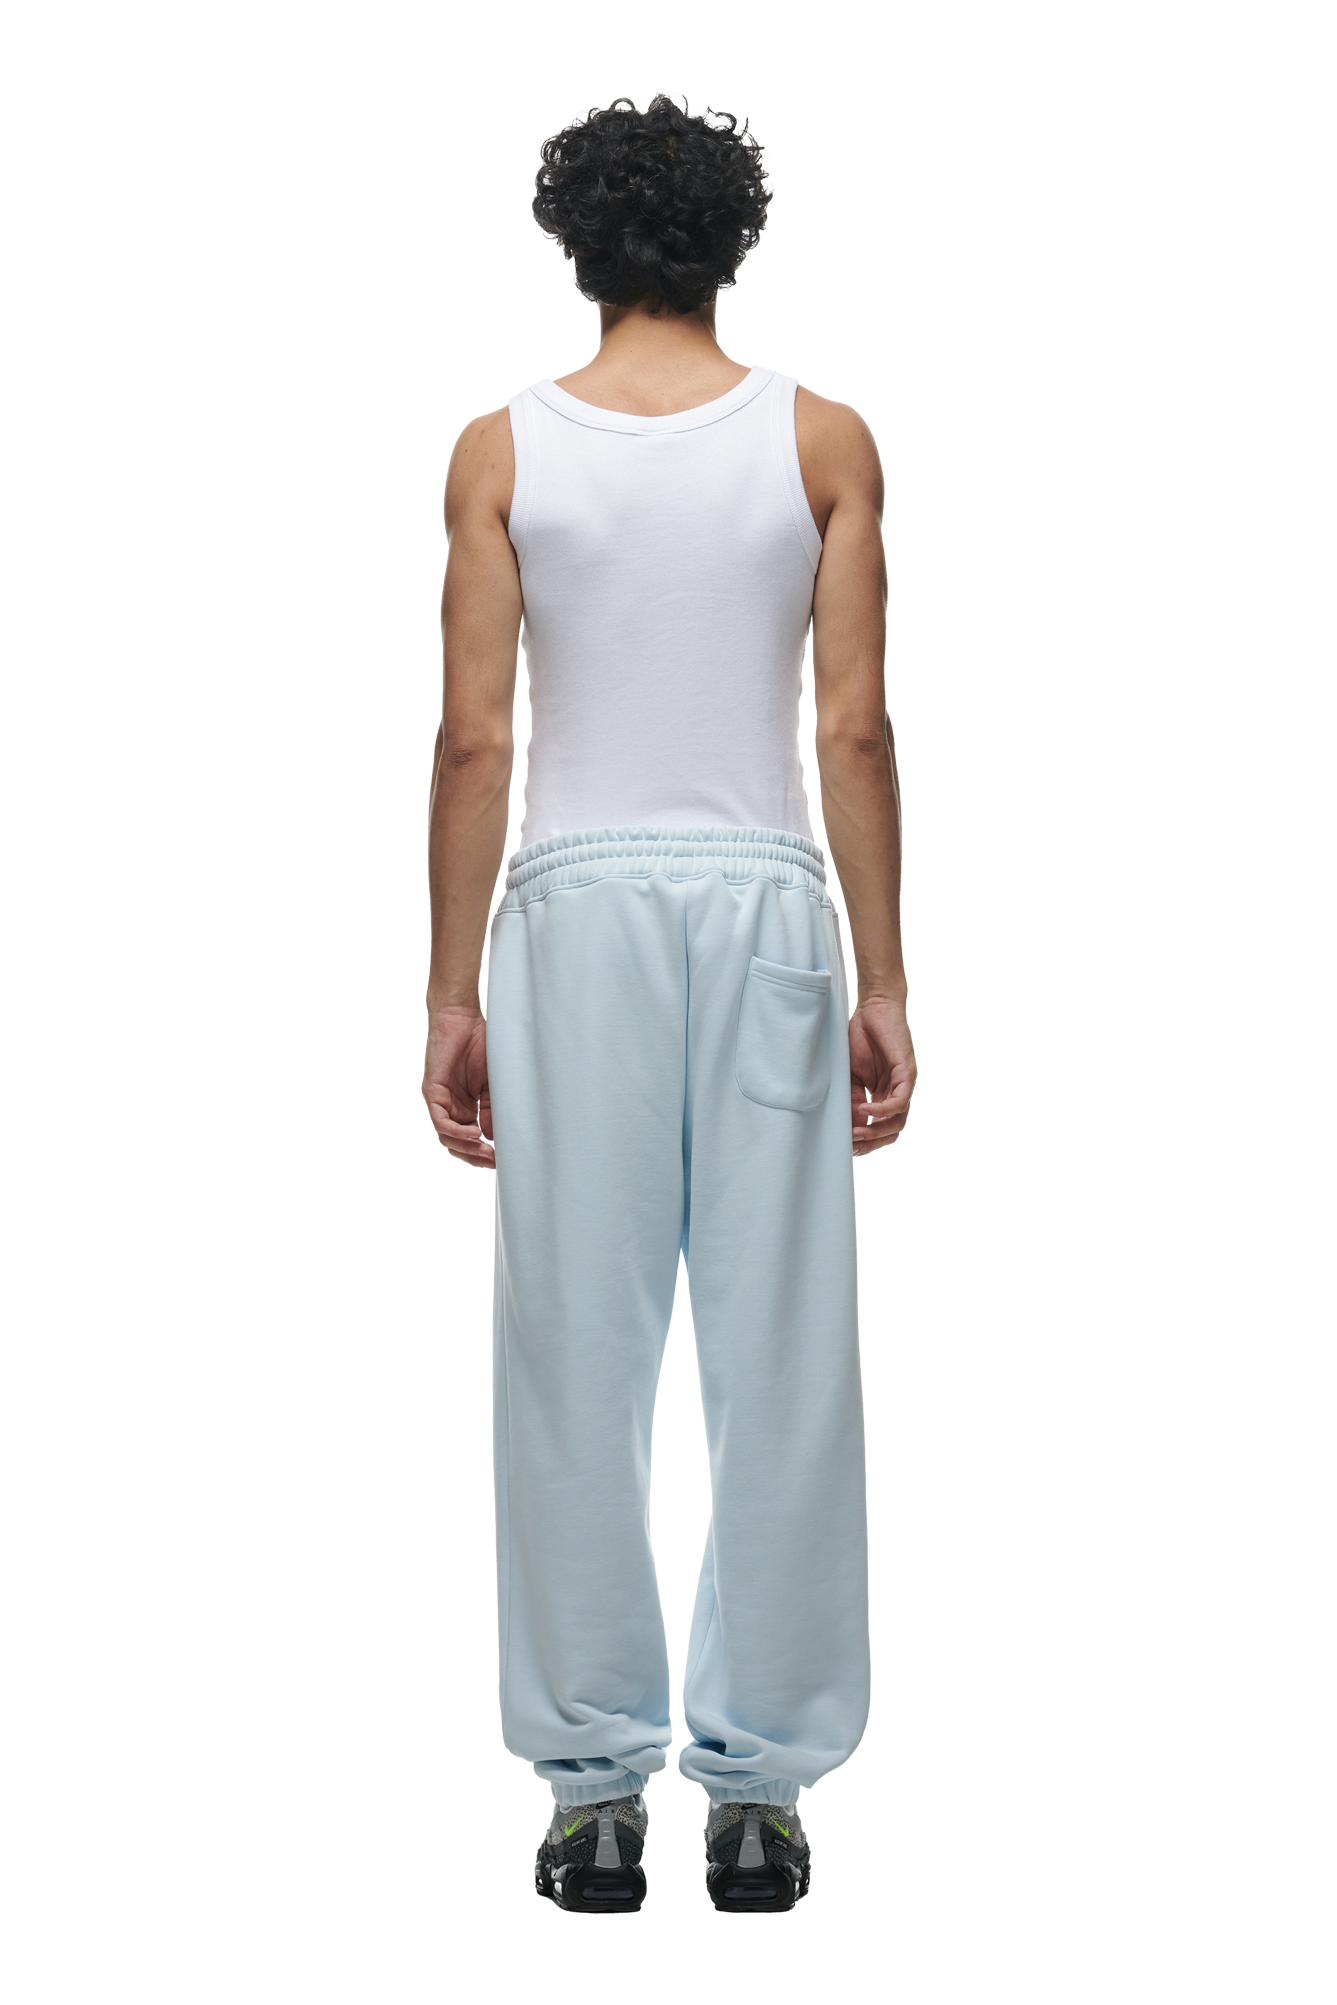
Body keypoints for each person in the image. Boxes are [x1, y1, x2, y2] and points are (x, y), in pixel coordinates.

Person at [422, 94, 915, 1915]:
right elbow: (850, 730)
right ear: (733, 244)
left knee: (575, 1353)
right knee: (781, 1355)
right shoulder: (821, 439)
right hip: (769, 901)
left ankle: (594, 1798)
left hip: (574, 915)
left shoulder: (501, 451)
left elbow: (480, 741)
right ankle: (765, 1793)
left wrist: (449, 995)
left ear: (577, 248)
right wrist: (885, 976)